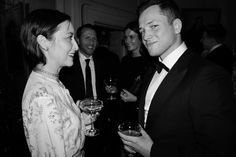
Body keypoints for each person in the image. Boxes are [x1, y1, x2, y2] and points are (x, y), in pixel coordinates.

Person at [118, 0, 236, 157]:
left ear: (176, 26)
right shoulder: (151, 70)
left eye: (153, 26)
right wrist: (138, 145)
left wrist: (153, 151)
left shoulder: (209, 75)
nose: (146, 36)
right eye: (142, 30)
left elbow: (218, 150)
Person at [20, 9, 93, 157]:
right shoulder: (42, 98)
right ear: (43, 42)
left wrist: (81, 118)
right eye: (69, 37)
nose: (76, 46)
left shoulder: (51, 80)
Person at [60, 24, 120, 157]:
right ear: (78, 40)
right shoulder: (67, 64)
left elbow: (111, 85)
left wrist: (113, 90)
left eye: (94, 38)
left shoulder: (104, 61)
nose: (92, 42)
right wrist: (80, 104)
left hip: (101, 120)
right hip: (78, 120)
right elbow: (64, 95)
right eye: (87, 38)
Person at [119, 20, 150, 122]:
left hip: (140, 115)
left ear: (141, 38)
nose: (127, 41)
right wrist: (116, 90)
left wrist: (136, 100)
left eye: (131, 37)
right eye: (125, 37)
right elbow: (122, 84)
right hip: (123, 112)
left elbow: (154, 95)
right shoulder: (125, 60)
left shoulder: (150, 62)